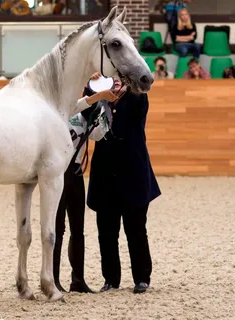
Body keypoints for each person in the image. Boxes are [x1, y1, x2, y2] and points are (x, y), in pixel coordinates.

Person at [85, 79, 161, 294]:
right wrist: (95, 88)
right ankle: (110, 279)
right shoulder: (100, 100)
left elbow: (140, 96)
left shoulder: (136, 97)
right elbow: (84, 107)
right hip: (105, 174)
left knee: (136, 229)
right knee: (106, 233)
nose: (117, 82)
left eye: (121, 79)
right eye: (113, 78)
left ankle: (142, 278)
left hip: (132, 173)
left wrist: (129, 85)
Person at [54, 72, 119, 293]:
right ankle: (53, 278)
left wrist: (104, 109)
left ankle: (77, 279)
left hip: (76, 174)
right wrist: (93, 94)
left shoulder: (87, 117)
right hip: (58, 174)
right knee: (57, 228)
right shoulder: (63, 109)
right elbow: (74, 106)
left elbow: (99, 134)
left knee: (77, 229)